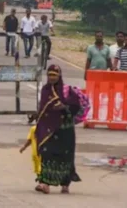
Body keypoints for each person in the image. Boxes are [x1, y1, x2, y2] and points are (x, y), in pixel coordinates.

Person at [33, 64, 82, 194]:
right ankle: (44, 183)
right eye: (49, 75)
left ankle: (65, 184)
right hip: (49, 129)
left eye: (54, 75)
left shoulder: (67, 90)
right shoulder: (45, 90)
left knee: (65, 157)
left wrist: (64, 107)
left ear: (59, 76)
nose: (52, 78)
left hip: (65, 129)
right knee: (47, 153)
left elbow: (76, 106)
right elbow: (43, 108)